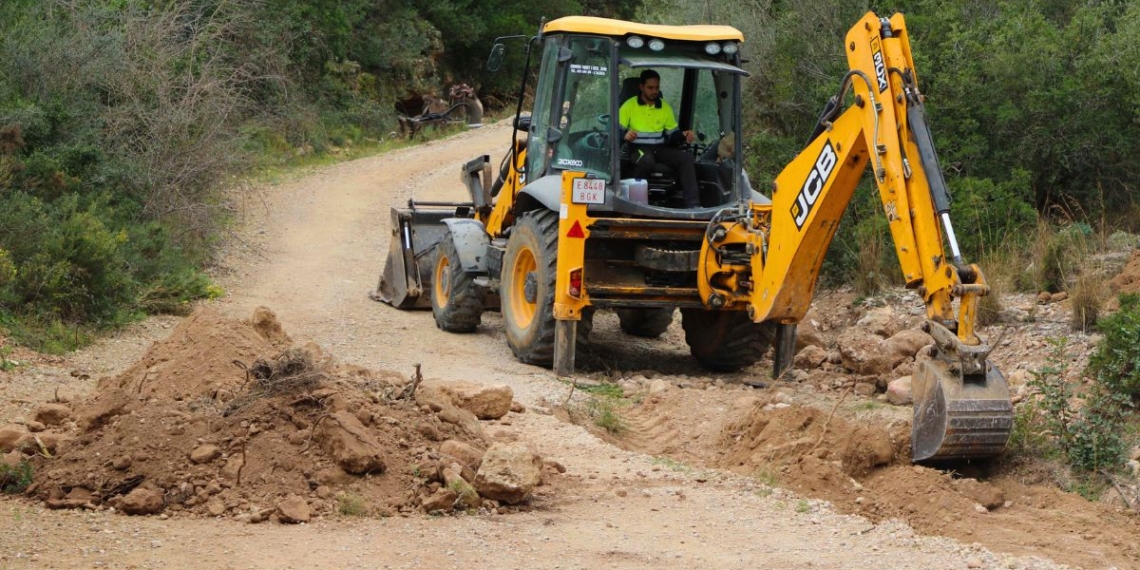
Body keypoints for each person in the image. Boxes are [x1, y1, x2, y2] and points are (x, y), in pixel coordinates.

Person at [618, 69, 700, 208]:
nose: (654, 91)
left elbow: (672, 134)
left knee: (686, 159)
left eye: (657, 88)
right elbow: (616, 130)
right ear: (641, 87)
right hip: (637, 148)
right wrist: (624, 135)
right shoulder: (629, 106)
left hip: (660, 149)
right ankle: (633, 202)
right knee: (647, 161)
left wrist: (683, 135)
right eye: (650, 88)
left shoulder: (664, 107)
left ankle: (693, 204)